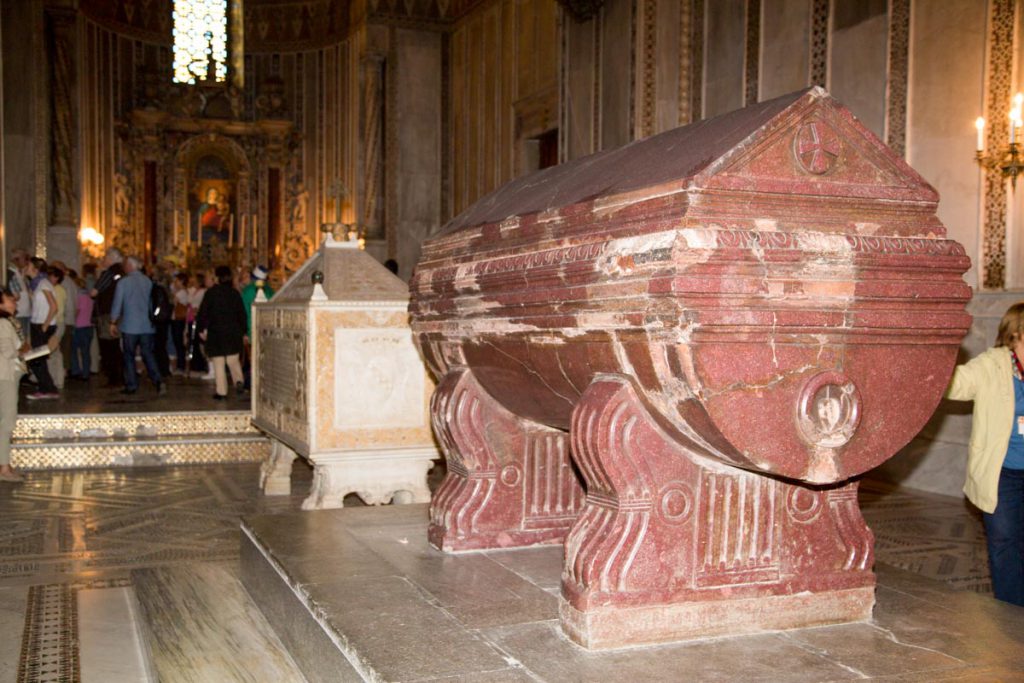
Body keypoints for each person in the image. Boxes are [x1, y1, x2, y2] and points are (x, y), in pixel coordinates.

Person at [945, 302, 1024, 607]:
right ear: (1015, 335)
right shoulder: (991, 366)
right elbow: (957, 384)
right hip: (1002, 474)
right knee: (1005, 543)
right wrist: (928, 367)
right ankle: (1012, 611)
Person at [110, 255, 164, 396]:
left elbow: (117, 303)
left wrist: (113, 321)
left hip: (130, 325)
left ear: (130, 266)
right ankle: (158, 380)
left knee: (128, 355)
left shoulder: (124, 282)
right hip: (147, 325)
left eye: (126, 265)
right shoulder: (148, 281)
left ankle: (132, 385)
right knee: (148, 354)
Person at [195, 265, 246, 400]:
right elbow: (242, 314)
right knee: (233, 359)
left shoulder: (211, 293)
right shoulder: (235, 293)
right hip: (233, 331)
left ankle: (221, 392)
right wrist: (243, 331)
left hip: (216, 332)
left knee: (218, 362)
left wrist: (200, 329)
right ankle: (238, 381)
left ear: (217, 278)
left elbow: (203, 313)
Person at [23, 259, 58, 400]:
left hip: (42, 325)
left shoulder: (43, 283)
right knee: (37, 360)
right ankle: (47, 388)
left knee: (36, 360)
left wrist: (45, 325)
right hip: (38, 323)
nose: (26, 267)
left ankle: (47, 389)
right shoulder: (38, 284)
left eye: (28, 265)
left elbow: (54, 306)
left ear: (35, 269)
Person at [0, 290, 26, 482]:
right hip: (5, 375)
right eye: (10, 300)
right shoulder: (2, 323)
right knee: (6, 422)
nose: (14, 302)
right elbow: (8, 351)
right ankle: (4, 468)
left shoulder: (8, 322)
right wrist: (23, 349)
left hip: (8, 374)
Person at [91, 248, 125, 387]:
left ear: (110, 259)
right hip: (118, 313)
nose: (103, 260)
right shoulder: (122, 273)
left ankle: (113, 377)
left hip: (106, 314)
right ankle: (119, 375)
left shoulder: (109, 273)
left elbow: (94, 292)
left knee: (108, 346)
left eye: (105, 257)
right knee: (115, 346)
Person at [45, 266, 67, 390]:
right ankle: (57, 379)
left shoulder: (56, 290)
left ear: (57, 278)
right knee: (54, 352)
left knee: (53, 352)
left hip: (56, 323)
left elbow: (55, 309)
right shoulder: (58, 289)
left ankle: (57, 379)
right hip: (58, 322)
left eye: (51, 275)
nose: (49, 278)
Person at [70, 275, 93, 381]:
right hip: (88, 326)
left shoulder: (78, 297)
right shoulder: (89, 297)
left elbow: (77, 311)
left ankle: (76, 371)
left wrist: (71, 320)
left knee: (73, 350)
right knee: (86, 352)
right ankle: (86, 372)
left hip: (79, 326)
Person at [171, 272, 190, 374]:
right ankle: (180, 365)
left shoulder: (181, 293)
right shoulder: (184, 292)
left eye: (177, 280)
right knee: (178, 342)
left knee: (178, 343)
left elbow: (174, 302)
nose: (175, 282)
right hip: (179, 319)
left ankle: (181, 366)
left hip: (178, 319)